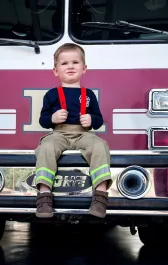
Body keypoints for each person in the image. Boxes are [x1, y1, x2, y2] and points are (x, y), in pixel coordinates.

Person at [35, 43, 112, 218]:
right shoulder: (51, 94)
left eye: (75, 62)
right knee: (46, 147)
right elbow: (43, 120)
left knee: (100, 146)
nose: (70, 66)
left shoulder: (89, 95)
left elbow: (98, 120)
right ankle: (44, 196)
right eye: (64, 63)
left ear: (84, 68)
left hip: (83, 134)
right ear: (56, 71)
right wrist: (53, 118)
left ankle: (100, 197)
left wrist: (92, 120)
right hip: (59, 134)